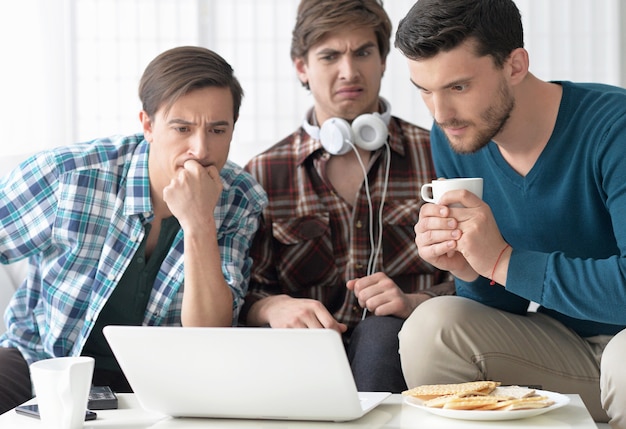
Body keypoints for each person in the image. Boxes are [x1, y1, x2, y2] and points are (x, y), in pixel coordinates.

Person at [394, 0, 626, 426]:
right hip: (564, 348)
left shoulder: (615, 128)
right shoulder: (456, 136)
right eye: (425, 90)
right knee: (433, 326)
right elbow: (507, 302)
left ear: (515, 65)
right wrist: (471, 268)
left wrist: (503, 260)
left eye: (458, 87)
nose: (441, 113)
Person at [0, 46, 268, 414]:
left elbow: (208, 335)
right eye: (182, 128)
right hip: (42, 363)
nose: (200, 149)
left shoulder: (240, 198)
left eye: (217, 129)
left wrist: (198, 222)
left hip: (160, 385)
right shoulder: (69, 174)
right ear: (147, 125)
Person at [240, 0, 451, 393]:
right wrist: (271, 307)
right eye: (330, 56)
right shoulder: (264, 172)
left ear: (384, 60)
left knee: (383, 336)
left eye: (363, 53)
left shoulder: (439, 156)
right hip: (304, 360)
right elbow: (242, 288)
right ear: (301, 66)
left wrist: (413, 301)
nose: (349, 71)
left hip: (406, 351)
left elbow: (475, 277)